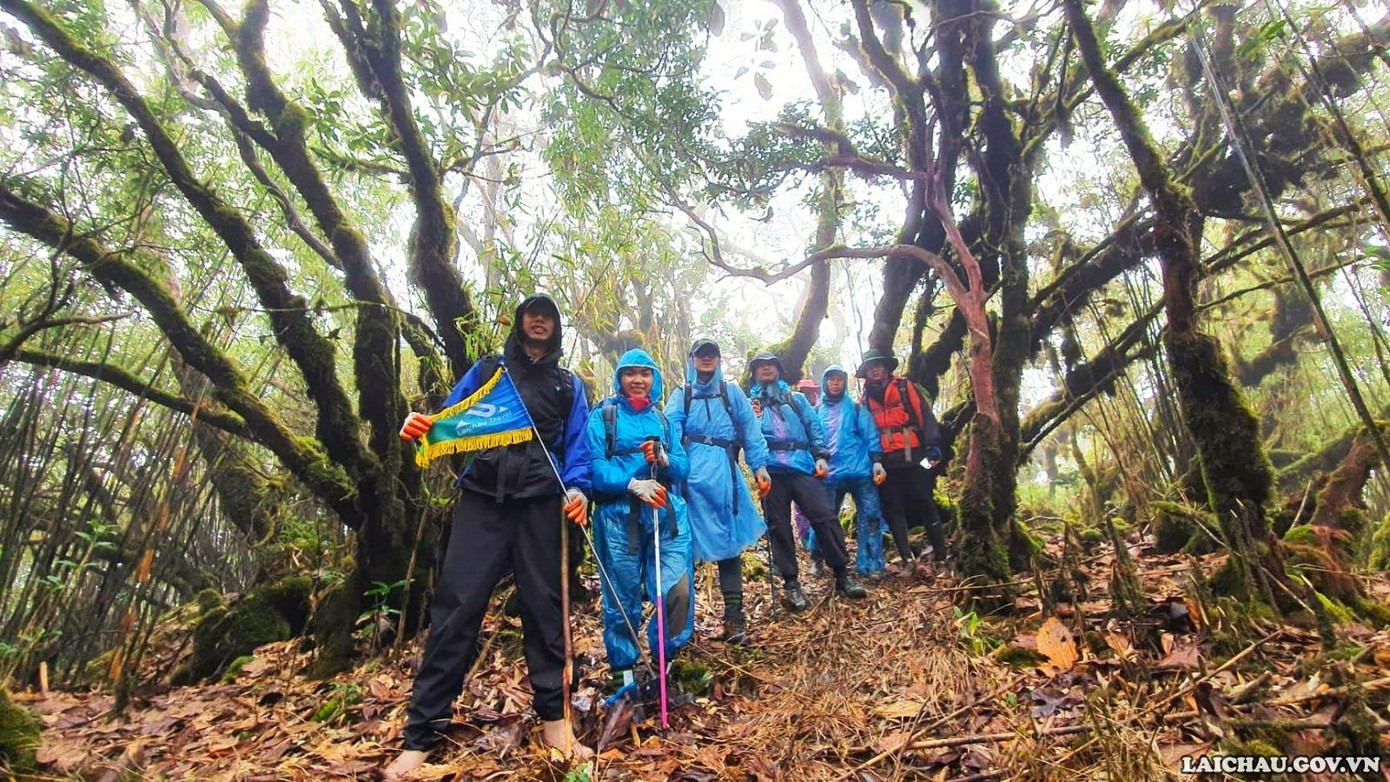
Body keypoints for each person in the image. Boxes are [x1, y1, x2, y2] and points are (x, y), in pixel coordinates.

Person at [388, 295, 592, 778]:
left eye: (548, 315)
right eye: (532, 313)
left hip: (541, 501)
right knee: (456, 608)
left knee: (545, 609)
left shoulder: (568, 384)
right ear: (520, 322)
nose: (539, 320)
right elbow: (449, 419)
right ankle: (420, 737)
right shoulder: (488, 371)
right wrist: (421, 426)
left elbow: (579, 445)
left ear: (557, 327)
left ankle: (556, 725)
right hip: (482, 497)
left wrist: (578, 489)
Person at [586, 349, 695, 693]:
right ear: (619, 378)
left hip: (665, 514)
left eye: (645, 373)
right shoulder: (603, 417)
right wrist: (631, 483)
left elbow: (683, 465)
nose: (638, 380)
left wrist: (663, 458)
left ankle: (663, 665)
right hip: (617, 518)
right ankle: (625, 679)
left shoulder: (662, 420)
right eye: (630, 373)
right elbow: (593, 468)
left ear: (654, 379)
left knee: (677, 590)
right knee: (622, 598)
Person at [665, 339, 772, 645]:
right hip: (690, 481)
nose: (707, 359)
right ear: (692, 359)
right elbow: (670, 431)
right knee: (686, 549)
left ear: (718, 359)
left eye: (712, 354)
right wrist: (669, 467)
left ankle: (734, 619)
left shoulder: (731, 392)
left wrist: (760, 467)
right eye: (701, 354)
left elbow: (750, 429)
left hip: (725, 478)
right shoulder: (682, 395)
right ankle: (682, 628)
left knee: (729, 547)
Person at [747, 353, 867, 610]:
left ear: (779, 370)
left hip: (802, 466)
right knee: (778, 526)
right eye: (760, 367)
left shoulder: (797, 399)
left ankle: (842, 573)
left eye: (770, 365)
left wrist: (821, 456)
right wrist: (757, 465)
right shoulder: (750, 405)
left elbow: (814, 427)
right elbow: (747, 437)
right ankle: (791, 584)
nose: (766, 369)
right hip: (770, 470)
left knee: (825, 516)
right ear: (754, 373)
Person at [857, 349, 948, 572]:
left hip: (915, 457)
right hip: (886, 462)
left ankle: (941, 557)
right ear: (866, 372)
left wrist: (933, 445)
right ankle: (907, 560)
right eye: (871, 367)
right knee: (893, 508)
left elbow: (925, 415)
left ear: (887, 368)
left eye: (879, 365)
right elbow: (864, 432)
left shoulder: (905, 387)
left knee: (925, 501)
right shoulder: (864, 400)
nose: (875, 370)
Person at [813, 365, 889, 579]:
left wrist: (877, 461)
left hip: (861, 473)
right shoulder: (815, 412)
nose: (835, 383)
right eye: (831, 379)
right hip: (829, 475)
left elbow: (871, 435)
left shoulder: (856, 409)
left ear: (844, 382)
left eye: (839, 379)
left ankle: (871, 565)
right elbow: (811, 440)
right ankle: (818, 558)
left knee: (871, 517)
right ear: (825, 382)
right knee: (824, 519)